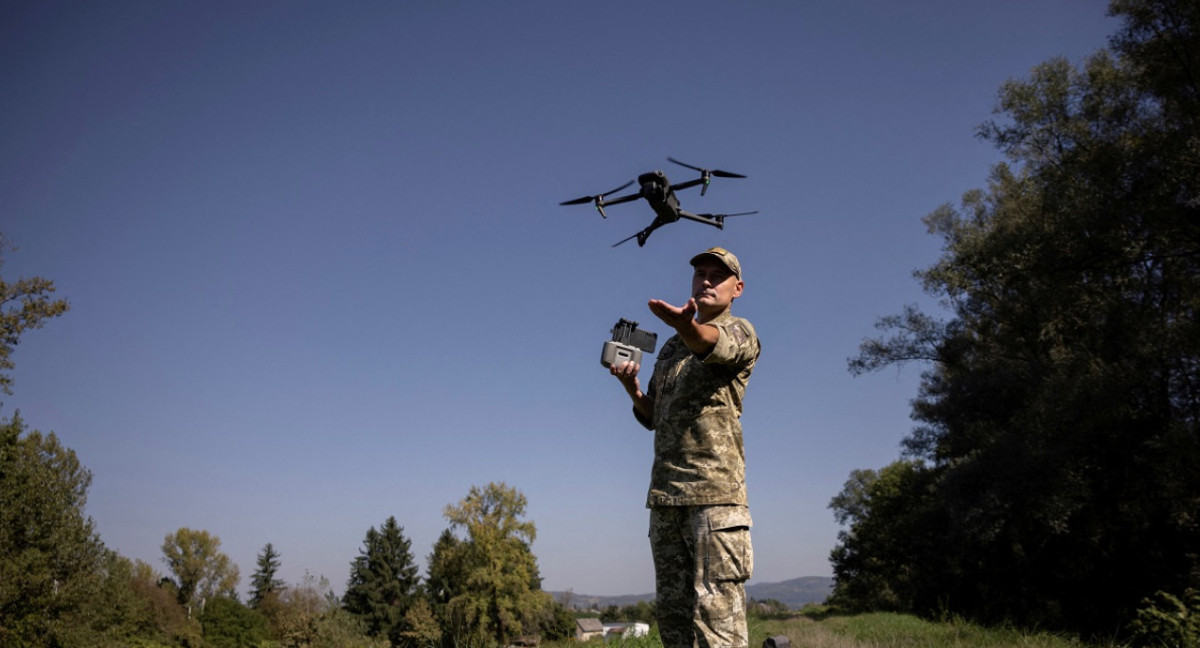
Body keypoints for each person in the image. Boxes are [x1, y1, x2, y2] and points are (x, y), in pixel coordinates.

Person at [608, 246, 761, 648]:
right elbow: (653, 416)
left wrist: (686, 326)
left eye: (717, 275)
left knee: (717, 626)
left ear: (737, 288)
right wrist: (632, 388)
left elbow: (710, 342)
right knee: (675, 626)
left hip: (715, 500)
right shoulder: (672, 349)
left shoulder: (740, 331)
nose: (706, 280)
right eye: (700, 274)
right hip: (666, 501)